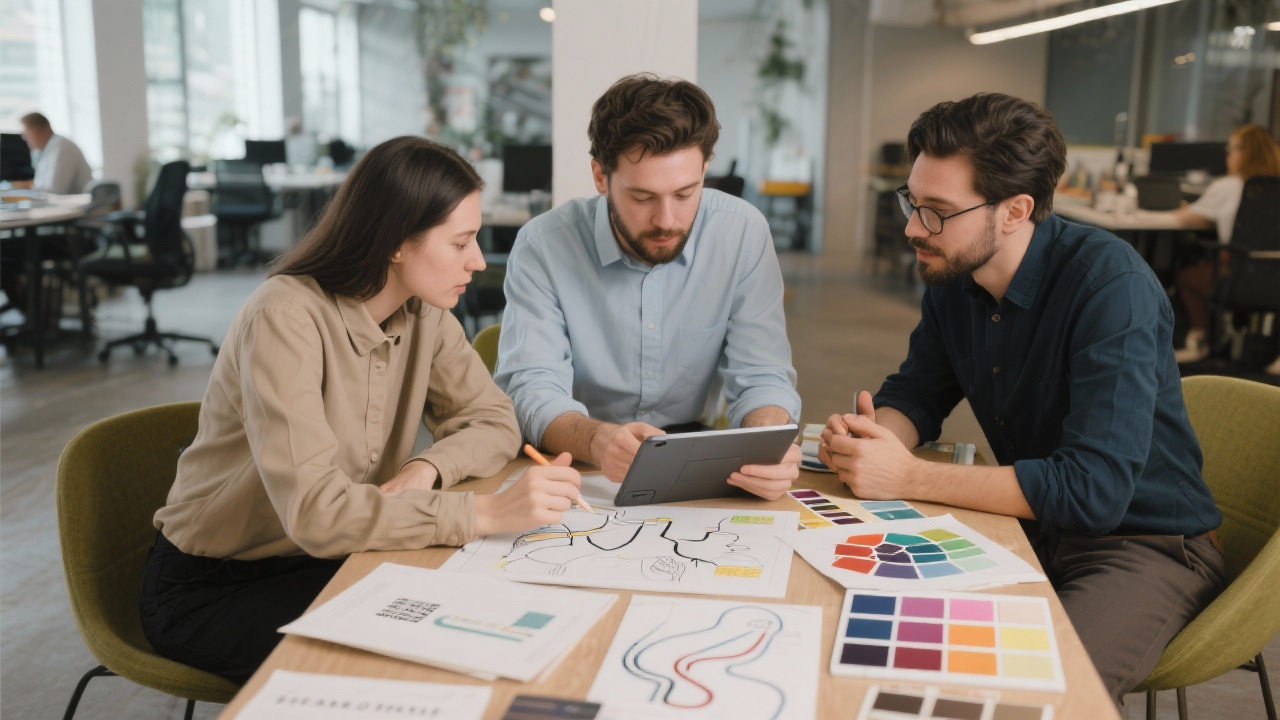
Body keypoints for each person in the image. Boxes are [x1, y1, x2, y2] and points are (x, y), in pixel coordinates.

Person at [817, 93, 1225, 706]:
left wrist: (907, 475)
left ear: (1015, 210)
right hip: (1031, 526)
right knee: (878, 639)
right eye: (912, 201)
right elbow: (918, 390)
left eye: (937, 211)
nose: (911, 228)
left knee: (1030, 698)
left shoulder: (1112, 288)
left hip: (1142, 545)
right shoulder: (956, 273)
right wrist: (877, 439)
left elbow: (1093, 491)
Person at [139, 137, 584, 683]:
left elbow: (495, 420)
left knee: (485, 616)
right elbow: (318, 516)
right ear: (396, 242)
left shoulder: (423, 312)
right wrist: (485, 514)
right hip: (217, 587)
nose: (477, 259)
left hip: (338, 557)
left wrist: (427, 468)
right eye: (461, 241)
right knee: (424, 660)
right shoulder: (285, 318)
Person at [494, 73, 802, 501]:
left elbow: (762, 374)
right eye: (642, 198)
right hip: (579, 465)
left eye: (686, 193)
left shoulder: (743, 233)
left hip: (699, 462)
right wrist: (597, 439)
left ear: (705, 169)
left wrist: (768, 436)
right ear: (601, 176)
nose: (667, 220)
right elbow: (532, 387)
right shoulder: (544, 245)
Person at [1169, 124, 1280, 367]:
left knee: (1186, 274)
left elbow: (1189, 217)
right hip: (1275, 277)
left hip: (1237, 275)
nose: (1228, 155)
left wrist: (1182, 205)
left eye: (1232, 150)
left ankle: (1200, 339)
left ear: (1247, 153)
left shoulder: (1228, 185)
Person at [19, 112, 92, 194]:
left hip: (76, 204)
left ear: (40, 130)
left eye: (27, 132)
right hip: (61, 203)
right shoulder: (46, 150)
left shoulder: (63, 147)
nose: (24, 137)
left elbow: (55, 191)